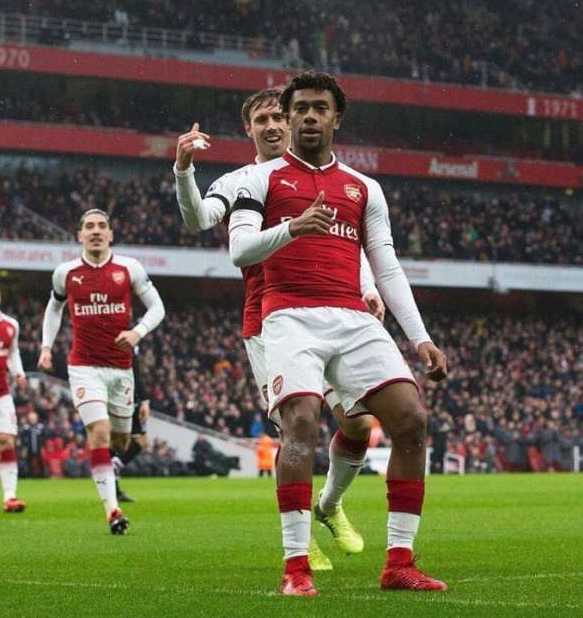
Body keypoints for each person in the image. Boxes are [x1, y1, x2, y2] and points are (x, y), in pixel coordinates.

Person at [228, 71, 448, 596]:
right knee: (301, 422)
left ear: (336, 118)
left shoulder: (364, 187)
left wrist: (420, 337)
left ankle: (399, 564)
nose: (309, 116)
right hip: (288, 315)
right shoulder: (258, 180)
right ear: (289, 117)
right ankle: (296, 568)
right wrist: (291, 227)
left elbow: (386, 266)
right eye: (300, 108)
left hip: (352, 316)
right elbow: (239, 250)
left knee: (410, 418)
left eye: (319, 108)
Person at [174, 88, 381, 568]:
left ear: (290, 121)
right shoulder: (241, 180)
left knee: (359, 423)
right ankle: (300, 537)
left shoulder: (322, 176)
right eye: (260, 119)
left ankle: (329, 505)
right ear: (248, 129)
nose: (271, 126)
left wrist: (368, 287)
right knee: (296, 428)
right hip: (270, 320)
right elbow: (199, 219)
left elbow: (346, 239)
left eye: (276, 117)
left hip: (332, 310)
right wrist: (184, 171)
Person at [38, 209, 165, 534]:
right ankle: (113, 510)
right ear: (80, 235)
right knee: (99, 430)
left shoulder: (129, 268)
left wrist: (138, 332)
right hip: (84, 366)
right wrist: (46, 347)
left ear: (110, 234)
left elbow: (157, 307)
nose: (96, 231)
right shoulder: (66, 273)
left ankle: (109, 470)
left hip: (121, 368)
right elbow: (54, 308)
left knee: (120, 441)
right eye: (89, 227)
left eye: (101, 226)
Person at [111, 346, 150, 503]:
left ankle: (114, 491)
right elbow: (135, 372)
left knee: (115, 444)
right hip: (129, 398)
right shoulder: (127, 343)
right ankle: (116, 465)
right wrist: (144, 401)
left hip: (115, 397)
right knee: (141, 441)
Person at [0, 288, 27, 512]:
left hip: (2, 393)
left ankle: (10, 496)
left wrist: (18, 372)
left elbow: (13, 352)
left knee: (7, 441)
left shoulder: (11, 325)